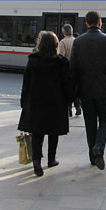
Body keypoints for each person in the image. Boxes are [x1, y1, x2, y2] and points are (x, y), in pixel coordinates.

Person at [69, 11, 106, 170]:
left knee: (90, 124)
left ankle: (93, 158)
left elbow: (73, 68)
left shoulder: (78, 41)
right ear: (100, 23)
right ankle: (99, 146)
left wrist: (73, 93)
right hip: (104, 90)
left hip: (85, 91)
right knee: (105, 121)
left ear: (86, 23)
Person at [18, 31, 73, 177]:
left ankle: (37, 162)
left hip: (36, 101)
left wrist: (24, 100)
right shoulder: (61, 62)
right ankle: (51, 159)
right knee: (53, 132)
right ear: (56, 45)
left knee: (37, 133)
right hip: (56, 102)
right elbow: (67, 84)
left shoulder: (33, 60)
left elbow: (26, 82)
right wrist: (69, 99)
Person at [58, 24, 81, 117]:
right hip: (76, 69)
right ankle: (78, 106)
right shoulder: (76, 41)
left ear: (63, 32)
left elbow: (61, 56)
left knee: (67, 89)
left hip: (67, 69)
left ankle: (69, 109)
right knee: (75, 88)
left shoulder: (62, 42)